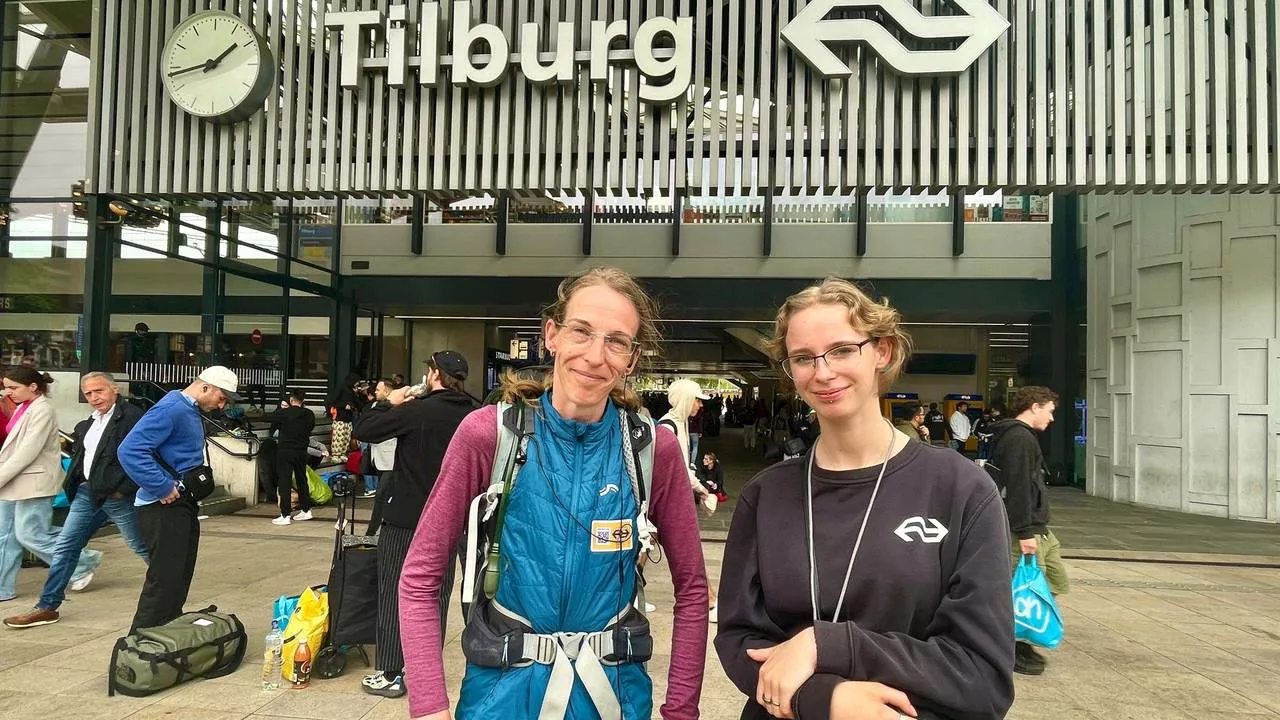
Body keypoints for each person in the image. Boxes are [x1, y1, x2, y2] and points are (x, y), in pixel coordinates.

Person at [397, 267, 708, 720]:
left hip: (613, 698)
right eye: (581, 331)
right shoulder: (490, 435)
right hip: (499, 699)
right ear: (552, 335)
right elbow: (420, 577)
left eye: (616, 341)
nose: (596, 355)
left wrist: (681, 710)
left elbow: (694, 590)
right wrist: (428, 706)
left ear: (632, 359)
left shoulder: (650, 451)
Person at [715, 277, 1014, 720]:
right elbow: (740, 639)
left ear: (883, 351)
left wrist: (830, 645)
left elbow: (982, 676)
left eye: (841, 349)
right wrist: (823, 700)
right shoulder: (767, 495)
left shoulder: (960, 489)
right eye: (803, 358)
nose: (823, 371)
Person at [352, 352, 478, 698]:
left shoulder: (415, 410)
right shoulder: (474, 413)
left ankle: (392, 672)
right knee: (435, 594)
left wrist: (386, 403)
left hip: (406, 516)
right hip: (452, 518)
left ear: (434, 374)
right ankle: (423, 671)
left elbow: (364, 430)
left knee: (396, 590)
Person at [5, 372, 149, 628]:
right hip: (87, 493)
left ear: (114, 389)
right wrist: (79, 482)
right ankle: (47, 606)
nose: (94, 398)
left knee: (140, 546)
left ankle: (171, 583)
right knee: (65, 548)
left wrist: (123, 488)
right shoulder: (90, 422)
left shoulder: (131, 416)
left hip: (116, 495)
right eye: (88, 393)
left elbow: (142, 453)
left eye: (99, 391)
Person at [119, 366, 241, 632]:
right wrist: (162, 486)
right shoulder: (172, 409)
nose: (222, 405)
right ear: (205, 387)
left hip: (179, 502)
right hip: (163, 504)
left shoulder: (186, 409)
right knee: (164, 578)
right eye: (222, 397)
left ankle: (164, 633)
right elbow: (130, 450)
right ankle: (141, 640)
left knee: (177, 574)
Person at [0, 368, 101, 603]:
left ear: (33, 387)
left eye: (13, 387)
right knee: (6, 536)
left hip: (33, 481)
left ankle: (83, 561)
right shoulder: (23, 408)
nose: (8, 392)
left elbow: (27, 451)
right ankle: (3, 588)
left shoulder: (42, 410)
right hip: (14, 480)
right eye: (6, 387)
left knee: (31, 534)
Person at [987, 385, 1067, 676]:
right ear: (1034, 406)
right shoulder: (1019, 438)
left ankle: (1020, 635)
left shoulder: (1021, 437)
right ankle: (1012, 644)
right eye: (1050, 410)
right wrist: (1024, 532)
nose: (1052, 418)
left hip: (1039, 527)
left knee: (1055, 582)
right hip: (1026, 527)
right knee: (1021, 590)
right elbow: (1018, 487)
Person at [264, 389, 316, 526]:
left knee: (284, 481)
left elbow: (271, 424)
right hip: (301, 451)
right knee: (302, 479)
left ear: (291, 400)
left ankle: (285, 514)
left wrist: (281, 410)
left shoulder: (283, 413)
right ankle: (306, 510)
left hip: (285, 450)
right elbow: (310, 428)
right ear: (303, 401)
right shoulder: (309, 414)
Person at [363, 378, 399, 534]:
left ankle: (371, 531)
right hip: (377, 457)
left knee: (381, 495)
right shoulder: (375, 406)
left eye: (378, 390)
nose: (375, 392)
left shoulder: (396, 407)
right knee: (384, 494)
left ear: (387, 391)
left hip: (391, 458)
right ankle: (386, 527)